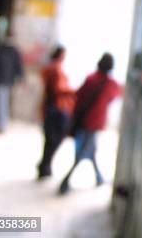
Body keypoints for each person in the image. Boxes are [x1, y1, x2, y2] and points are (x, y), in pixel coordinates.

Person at [59, 53, 121, 194]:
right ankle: (65, 182)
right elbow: (117, 94)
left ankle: (98, 177)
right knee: (83, 152)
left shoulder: (91, 79)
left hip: (85, 120)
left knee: (90, 151)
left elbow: (79, 97)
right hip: (94, 122)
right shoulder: (110, 84)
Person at [37, 46, 75, 179]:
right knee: (54, 138)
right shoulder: (55, 69)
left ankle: (45, 165)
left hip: (53, 106)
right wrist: (73, 92)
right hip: (56, 107)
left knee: (50, 139)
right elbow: (58, 89)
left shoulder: (53, 68)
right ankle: (44, 165)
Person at [0, 35, 23, 133]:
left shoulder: (13, 52)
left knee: (2, 102)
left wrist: (20, 78)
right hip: (1, 80)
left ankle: (1, 125)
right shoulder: (1, 50)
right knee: (1, 102)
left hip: (6, 81)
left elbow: (18, 66)